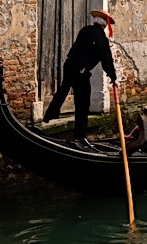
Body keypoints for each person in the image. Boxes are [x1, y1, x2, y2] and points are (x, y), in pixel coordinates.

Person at [42, 9, 117, 147]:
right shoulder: (101, 38)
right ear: (105, 25)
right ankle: (79, 136)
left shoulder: (85, 30)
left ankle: (49, 115)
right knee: (83, 103)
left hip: (69, 64)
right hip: (80, 71)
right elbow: (106, 60)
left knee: (63, 89)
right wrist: (113, 77)